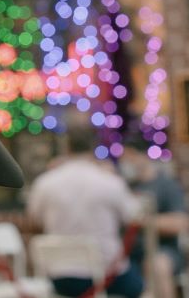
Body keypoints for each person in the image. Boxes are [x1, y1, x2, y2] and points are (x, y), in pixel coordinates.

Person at [26, 117, 145, 298]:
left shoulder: (45, 183)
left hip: (60, 278)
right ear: (94, 147)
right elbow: (133, 216)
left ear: (66, 147)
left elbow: (34, 219)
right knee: (139, 282)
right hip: (108, 277)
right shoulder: (109, 181)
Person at [119, 148, 189, 298]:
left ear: (143, 156)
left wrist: (144, 222)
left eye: (130, 158)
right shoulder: (122, 187)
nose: (125, 163)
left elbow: (180, 223)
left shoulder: (166, 185)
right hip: (129, 252)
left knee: (158, 265)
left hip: (164, 249)